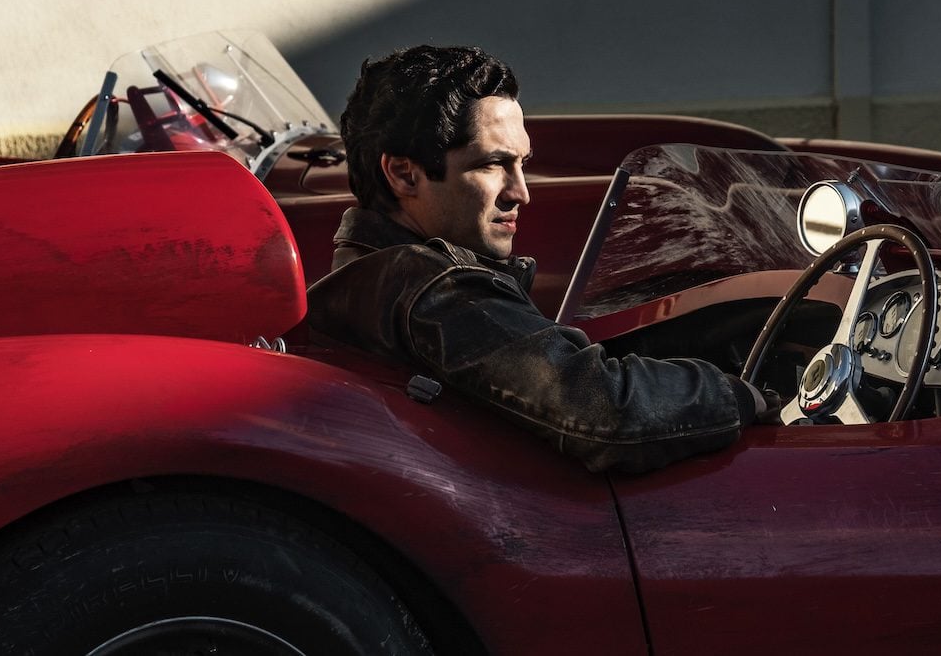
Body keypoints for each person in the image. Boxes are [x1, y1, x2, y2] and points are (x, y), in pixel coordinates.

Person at [306, 45, 766, 473]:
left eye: (522, 164)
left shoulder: (375, 276)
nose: (521, 193)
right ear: (404, 175)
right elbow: (607, 410)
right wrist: (742, 396)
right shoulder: (429, 287)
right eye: (492, 164)